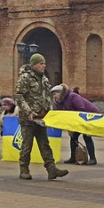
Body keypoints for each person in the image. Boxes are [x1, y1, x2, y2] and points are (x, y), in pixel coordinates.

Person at [15, 53, 69, 181]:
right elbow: (19, 96)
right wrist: (28, 112)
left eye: (44, 63)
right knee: (27, 145)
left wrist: (50, 113)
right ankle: (24, 169)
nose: (44, 66)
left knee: (45, 144)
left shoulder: (44, 78)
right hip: (28, 119)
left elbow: (46, 97)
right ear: (34, 65)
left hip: (41, 118)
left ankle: (51, 169)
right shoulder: (25, 78)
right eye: (41, 63)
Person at [51, 84, 99, 165]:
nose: (54, 96)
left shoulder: (73, 97)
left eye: (55, 93)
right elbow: (62, 115)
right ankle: (73, 157)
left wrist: (84, 126)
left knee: (86, 136)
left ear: (61, 93)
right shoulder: (59, 102)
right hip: (76, 120)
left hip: (89, 116)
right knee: (73, 137)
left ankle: (93, 158)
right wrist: (69, 128)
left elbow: (81, 110)